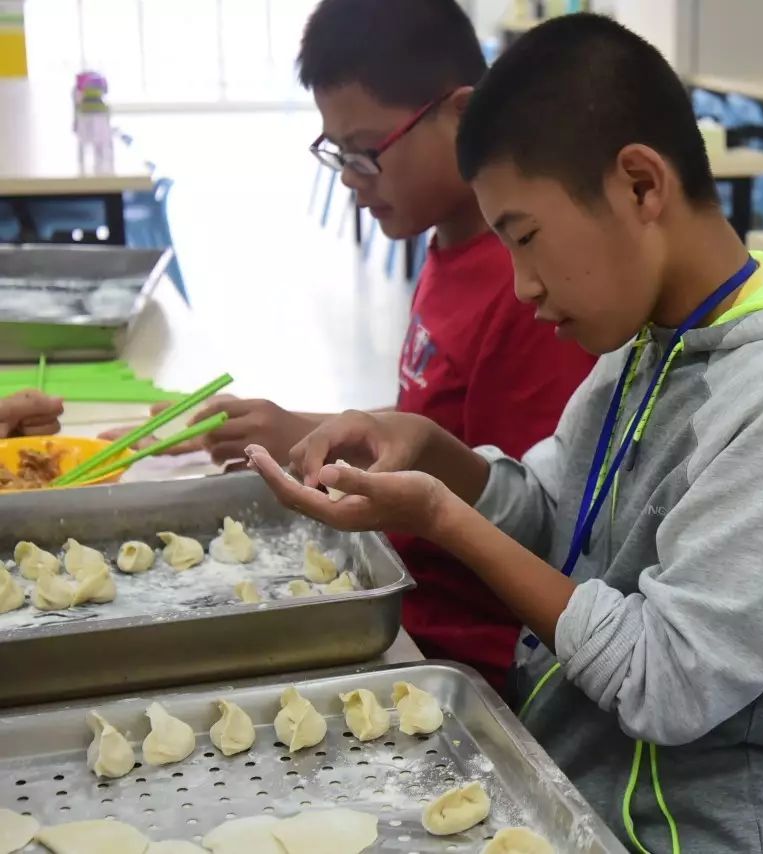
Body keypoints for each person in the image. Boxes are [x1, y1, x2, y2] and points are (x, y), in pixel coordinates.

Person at [247, 14, 763, 852]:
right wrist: (435, 452)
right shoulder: (646, 339)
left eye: (526, 237)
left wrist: (443, 519)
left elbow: (667, 681)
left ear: (639, 185)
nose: (520, 285)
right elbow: (559, 512)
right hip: (576, 788)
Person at [107, 0, 595, 689]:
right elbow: (435, 428)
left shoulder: (525, 292)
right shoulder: (448, 244)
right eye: (337, 152)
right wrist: (301, 430)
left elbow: (530, 518)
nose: (347, 177)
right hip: (407, 600)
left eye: (366, 151)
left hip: (460, 650)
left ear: (460, 113)